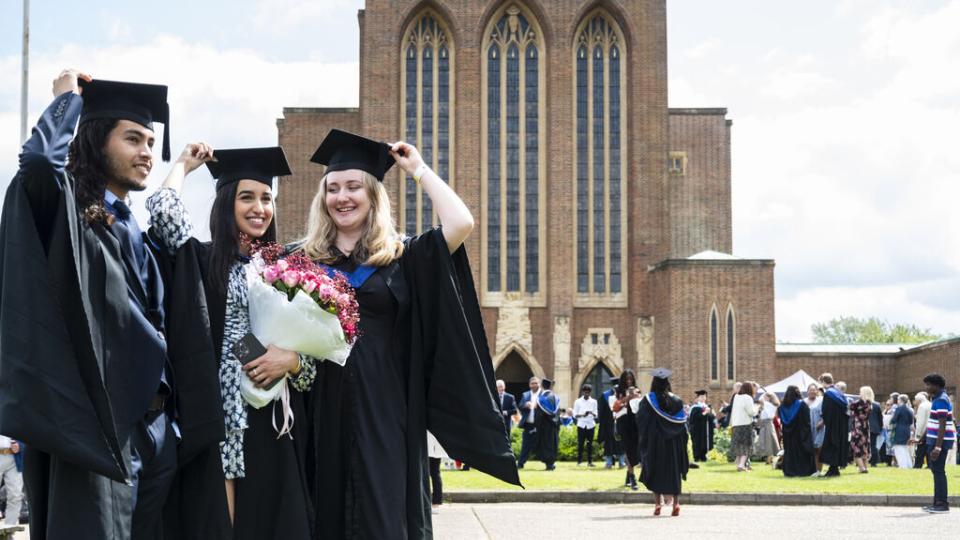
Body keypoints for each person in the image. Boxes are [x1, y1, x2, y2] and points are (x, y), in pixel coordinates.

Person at [303, 129, 519, 539]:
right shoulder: (304, 261)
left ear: (372, 195)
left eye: (353, 187)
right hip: (321, 406)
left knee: (385, 514)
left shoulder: (404, 257)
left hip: (385, 406)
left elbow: (461, 222)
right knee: (323, 510)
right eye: (332, 189)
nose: (342, 197)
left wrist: (418, 169)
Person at [0, 70, 184, 540]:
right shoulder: (71, 219)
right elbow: (40, 164)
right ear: (97, 141)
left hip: (155, 432)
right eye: (133, 139)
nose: (146, 151)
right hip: (101, 427)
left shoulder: (132, 229)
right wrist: (67, 103)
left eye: (150, 140)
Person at [146, 146, 316, 538]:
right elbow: (164, 215)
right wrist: (183, 166)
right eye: (246, 197)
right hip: (214, 415)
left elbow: (309, 370)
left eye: (266, 198)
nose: (259, 207)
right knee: (220, 523)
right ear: (225, 203)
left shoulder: (287, 273)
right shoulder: (202, 260)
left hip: (271, 415)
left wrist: (291, 360)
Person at [634, 368, 689, 517]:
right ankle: (676, 504)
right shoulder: (677, 400)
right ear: (667, 383)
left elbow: (641, 420)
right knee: (674, 472)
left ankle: (658, 504)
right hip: (673, 443)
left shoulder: (647, 400)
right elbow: (682, 425)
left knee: (656, 470)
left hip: (655, 443)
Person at [922, 373, 954, 513]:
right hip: (934, 440)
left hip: (939, 442)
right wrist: (921, 439)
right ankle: (937, 503)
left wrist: (938, 447)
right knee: (936, 471)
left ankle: (942, 504)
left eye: (928, 385)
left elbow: (943, 425)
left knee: (939, 471)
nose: (926, 387)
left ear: (936, 385)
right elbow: (932, 423)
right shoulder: (937, 399)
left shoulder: (941, 400)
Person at [777, 386, 816, 477]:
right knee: (801, 453)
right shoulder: (802, 404)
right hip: (800, 435)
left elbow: (782, 421)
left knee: (789, 452)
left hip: (788, 436)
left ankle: (789, 471)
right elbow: (807, 421)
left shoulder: (782, 406)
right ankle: (802, 471)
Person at [612, 370, 641, 490]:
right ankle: (633, 478)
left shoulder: (637, 390)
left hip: (634, 421)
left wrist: (637, 396)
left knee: (634, 449)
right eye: (627, 379)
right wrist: (627, 398)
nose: (629, 381)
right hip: (623, 422)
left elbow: (640, 405)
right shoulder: (618, 391)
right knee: (628, 448)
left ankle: (628, 476)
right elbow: (614, 407)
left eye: (631, 379)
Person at [818, 373, 849, 477]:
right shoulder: (839, 393)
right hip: (842, 425)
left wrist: (823, 421)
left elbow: (826, 411)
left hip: (833, 425)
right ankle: (834, 469)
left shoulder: (828, 394)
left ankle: (833, 470)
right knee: (837, 446)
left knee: (831, 445)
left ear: (823, 382)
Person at [730, 382, 758, 472]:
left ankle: (739, 464)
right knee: (746, 446)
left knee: (738, 446)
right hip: (745, 424)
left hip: (735, 424)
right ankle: (741, 465)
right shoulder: (748, 397)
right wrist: (757, 407)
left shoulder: (736, 397)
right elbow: (751, 412)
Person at [533, 379, 561, 470]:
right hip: (554, 426)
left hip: (544, 427)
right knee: (553, 444)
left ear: (542, 386)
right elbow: (557, 413)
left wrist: (536, 425)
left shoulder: (541, 399)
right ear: (550, 386)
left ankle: (549, 464)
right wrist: (556, 424)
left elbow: (539, 415)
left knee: (546, 444)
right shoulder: (556, 397)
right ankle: (552, 463)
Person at [597, 378, 624, 468]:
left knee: (621, 442)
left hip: (620, 423)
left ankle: (621, 462)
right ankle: (609, 462)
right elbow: (601, 412)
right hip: (608, 424)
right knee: (609, 443)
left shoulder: (623, 396)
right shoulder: (605, 396)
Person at [516, 377, 542, 469]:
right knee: (525, 444)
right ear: (529, 385)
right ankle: (520, 463)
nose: (534, 385)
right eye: (532, 383)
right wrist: (525, 405)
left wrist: (538, 407)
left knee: (543, 444)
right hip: (528, 424)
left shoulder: (543, 394)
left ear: (539, 384)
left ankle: (549, 463)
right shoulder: (525, 395)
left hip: (540, 425)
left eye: (536, 383)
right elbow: (520, 406)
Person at [849, 386, 874, 473]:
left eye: (860, 392)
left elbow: (850, 407)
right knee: (864, 447)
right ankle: (864, 467)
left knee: (856, 446)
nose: (859, 394)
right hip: (865, 427)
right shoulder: (870, 403)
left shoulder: (858, 403)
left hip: (857, 427)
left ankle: (862, 468)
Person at [573, 384, 598, 466]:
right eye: (585, 392)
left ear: (590, 392)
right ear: (583, 392)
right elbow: (575, 414)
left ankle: (590, 461)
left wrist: (591, 413)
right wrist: (582, 415)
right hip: (581, 424)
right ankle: (579, 461)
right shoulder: (578, 401)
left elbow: (596, 414)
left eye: (588, 392)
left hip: (591, 424)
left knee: (589, 444)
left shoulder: (594, 402)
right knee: (581, 443)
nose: (587, 394)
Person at [0, 436, 23, 528]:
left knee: (15, 496)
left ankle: (9, 531)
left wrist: (20, 445)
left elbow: (27, 433)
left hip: (14, 458)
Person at [688, 390, 715, 462]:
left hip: (706, 429)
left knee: (705, 441)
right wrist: (705, 412)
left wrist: (710, 414)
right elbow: (694, 419)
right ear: (698, 398)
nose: (703, 398)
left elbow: (711, 418)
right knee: (697, 442)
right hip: (697, 429)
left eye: (704, 397)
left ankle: (704, 456)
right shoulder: (695, 408)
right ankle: (696, 457)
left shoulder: (708, 407)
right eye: (701, 397)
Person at [755, 390, 781, 464]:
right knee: (763, 440)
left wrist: (763, 402)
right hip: (764, 423)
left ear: (770, 397)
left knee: (769, 440)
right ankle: (765, 456)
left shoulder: (771, 405)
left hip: (768, 423)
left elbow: (761, 401)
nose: (764, 397)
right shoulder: (767, 404)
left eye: (766, 396)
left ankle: (769, 456)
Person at [804, 384, 825, 475]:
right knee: (809, 450)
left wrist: (822, 422)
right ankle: (810, 470)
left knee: (818, 450)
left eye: (814, 390)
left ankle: (818, 470)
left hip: (818, 428)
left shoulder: (821, 400)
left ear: (817, 391)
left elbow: (826, 413)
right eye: (810, 390)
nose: (812, 391)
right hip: (807, 429)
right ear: (807, 391)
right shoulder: (803, 402)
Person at [890, 394, 915, 469]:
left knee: (898, 448)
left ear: (900, 400)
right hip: (907, 430)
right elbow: (911, 421)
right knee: (905, 448)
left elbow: (894, 419)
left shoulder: (899, 409)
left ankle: (902, 465)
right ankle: (909, 465)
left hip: (899, 430)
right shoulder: (909, 409)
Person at [426, 431, 448, 515]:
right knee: (435, 473)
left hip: (430, 446)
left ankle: (433, 504)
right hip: (435, 447)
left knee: (431, 474)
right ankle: (435, 504)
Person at [913, 392, 931, 468]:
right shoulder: (930, 404)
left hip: (923, 432)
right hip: (931, 431)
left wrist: (918, 435)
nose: (914, 402)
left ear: (919, 400)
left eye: (915, 400)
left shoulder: (922, 406)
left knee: (920, 452)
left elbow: (920, 422)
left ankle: (917, 466)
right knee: (929, 451)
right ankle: (930, 465)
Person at [867, 390, 884, 467]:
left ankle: (870, 460)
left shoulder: (863, 404)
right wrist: (880, 427)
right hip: (875, 428)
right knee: (873, 444)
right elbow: (880, 418)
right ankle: (874, 461)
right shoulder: (876, 405)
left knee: (868, 445)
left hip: (866, 427)